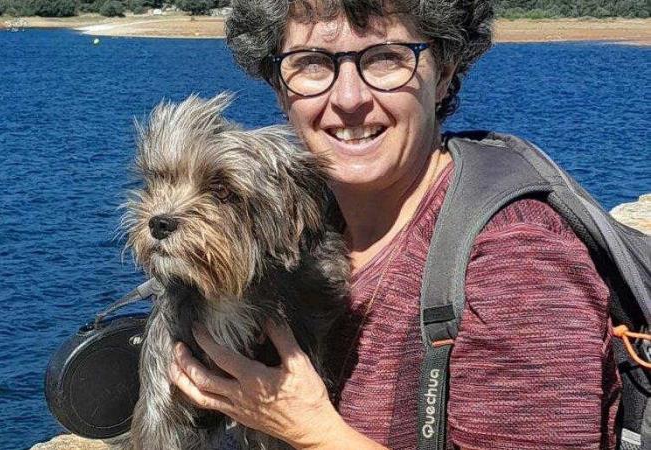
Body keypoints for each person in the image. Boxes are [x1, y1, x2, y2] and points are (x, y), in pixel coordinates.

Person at [167, 1, 619, 449]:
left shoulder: (516, 257)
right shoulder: (293, 230)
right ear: (281, 89)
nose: (349, 98)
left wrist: (313, 432)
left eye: (385, 58)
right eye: (312, 63)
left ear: (444, 73)